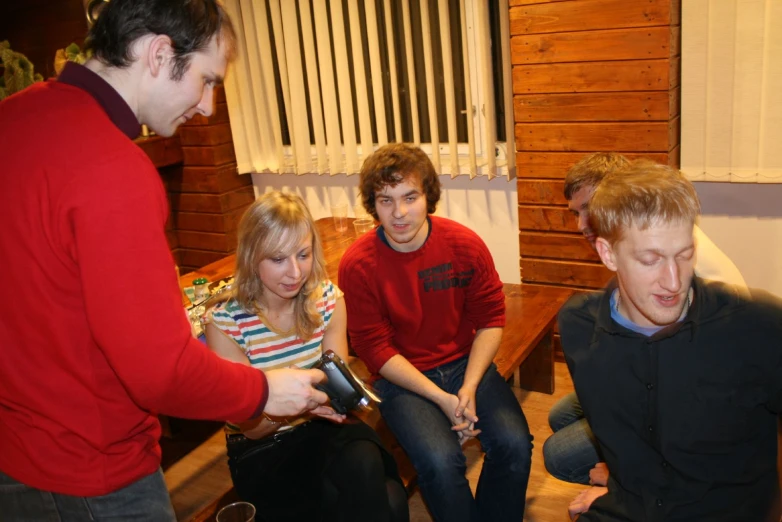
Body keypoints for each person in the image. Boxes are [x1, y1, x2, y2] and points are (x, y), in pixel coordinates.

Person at [0, 1, 328, 520]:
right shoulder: (113, 167)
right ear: (158, 53)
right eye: (206, 80)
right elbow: (161, 370)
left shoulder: (13, 118)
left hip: (15, 455)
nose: (208, 106)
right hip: (95, 473)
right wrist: (265, 388)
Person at [559, 161, 782, 521]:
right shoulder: (578, 326)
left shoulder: (759, 326)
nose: (674, 281)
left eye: (684, 254)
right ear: (607, 253)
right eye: (651, 259)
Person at [338, 143, 533, 522]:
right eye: (386, 200)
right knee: (441, 462)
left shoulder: (463, 244)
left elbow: (491, 318)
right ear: (372, 205)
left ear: (429, 195)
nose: (399, 213)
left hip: (465, 363)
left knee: (514, 445)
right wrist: (443, 400)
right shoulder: (358, 265)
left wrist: (469, 387)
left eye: (410, 197)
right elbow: (373, 349)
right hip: (402, 379)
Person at [205, 191, 408, 522]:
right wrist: (303, 404)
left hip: (321, 427)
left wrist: (330, 400)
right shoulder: (226, 322)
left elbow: (335, 390)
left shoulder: (326, 299)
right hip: (264, 449)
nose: (295, 273)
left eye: (302, 255)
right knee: (387, 500)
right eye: (278, 259)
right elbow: (252, 426)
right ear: (251, 257)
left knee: (371, 471)